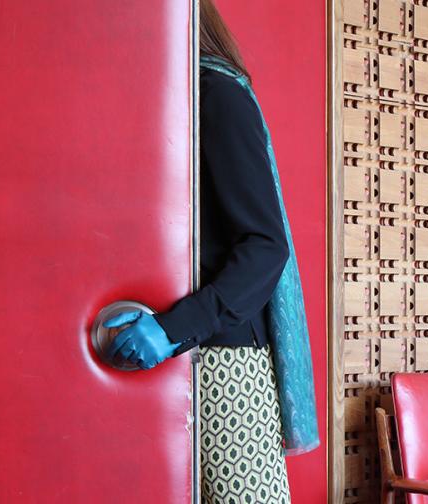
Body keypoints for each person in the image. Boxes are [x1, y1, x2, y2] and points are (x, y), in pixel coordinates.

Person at [103, 1, 292, 502]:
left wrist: (171, 330)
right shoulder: (150, 102)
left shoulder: (218, 95)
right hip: (146, 353)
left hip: (222, 363)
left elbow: (266, 247)